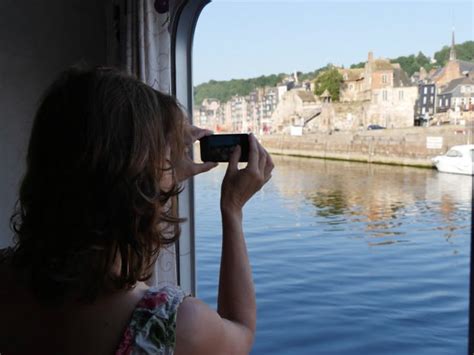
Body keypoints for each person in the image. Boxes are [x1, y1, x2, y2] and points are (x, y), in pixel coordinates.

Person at [0, 67, 274, 354]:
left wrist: (160, 176)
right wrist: (232, 210)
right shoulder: (170, 325)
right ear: (139, 183)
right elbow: (240, 332)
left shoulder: (5, 278)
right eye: (165, 156)